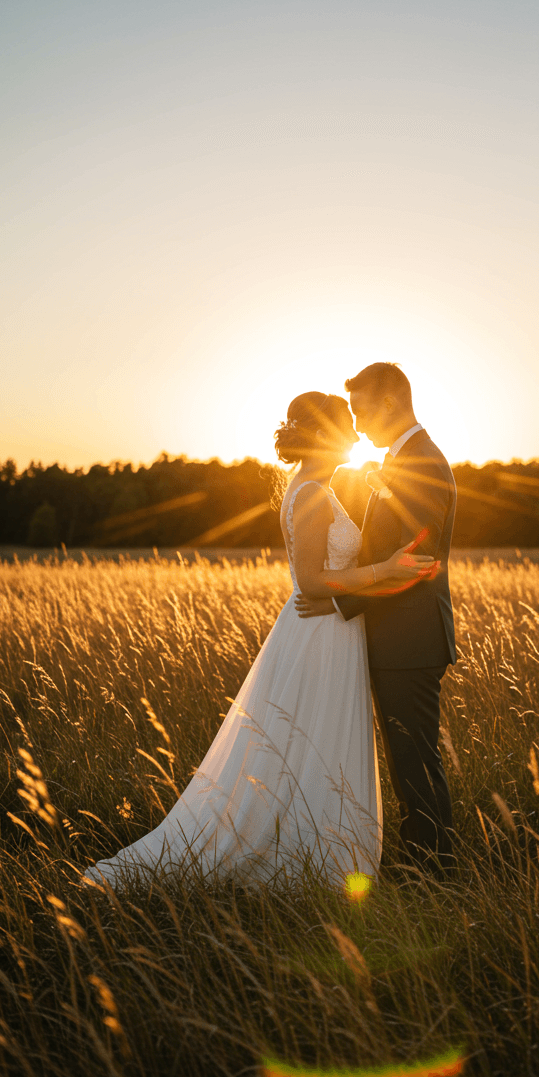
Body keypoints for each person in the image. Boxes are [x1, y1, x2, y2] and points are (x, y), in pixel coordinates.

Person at [83, 391, 436, 890]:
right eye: (346, 432)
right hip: (320, 634)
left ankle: (315, 841)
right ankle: (306, 852)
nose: (355, 441)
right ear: (323, 437)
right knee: (310, 741)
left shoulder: (316, 487)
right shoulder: (312, 494)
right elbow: (313, 583)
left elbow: (326, 576)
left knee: (313, 744)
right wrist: (387, 569)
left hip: (330, 629)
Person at [295, 363, 458, 874]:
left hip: (410, 637)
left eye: (362, 408)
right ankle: (420, 862)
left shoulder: (424, 463)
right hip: (397, 635)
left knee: (415, 762)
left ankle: (435, 873)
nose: (358, 424)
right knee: (406, 761)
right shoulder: (402, 460)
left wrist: (338, 602)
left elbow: (415, 564)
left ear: (390, 402)